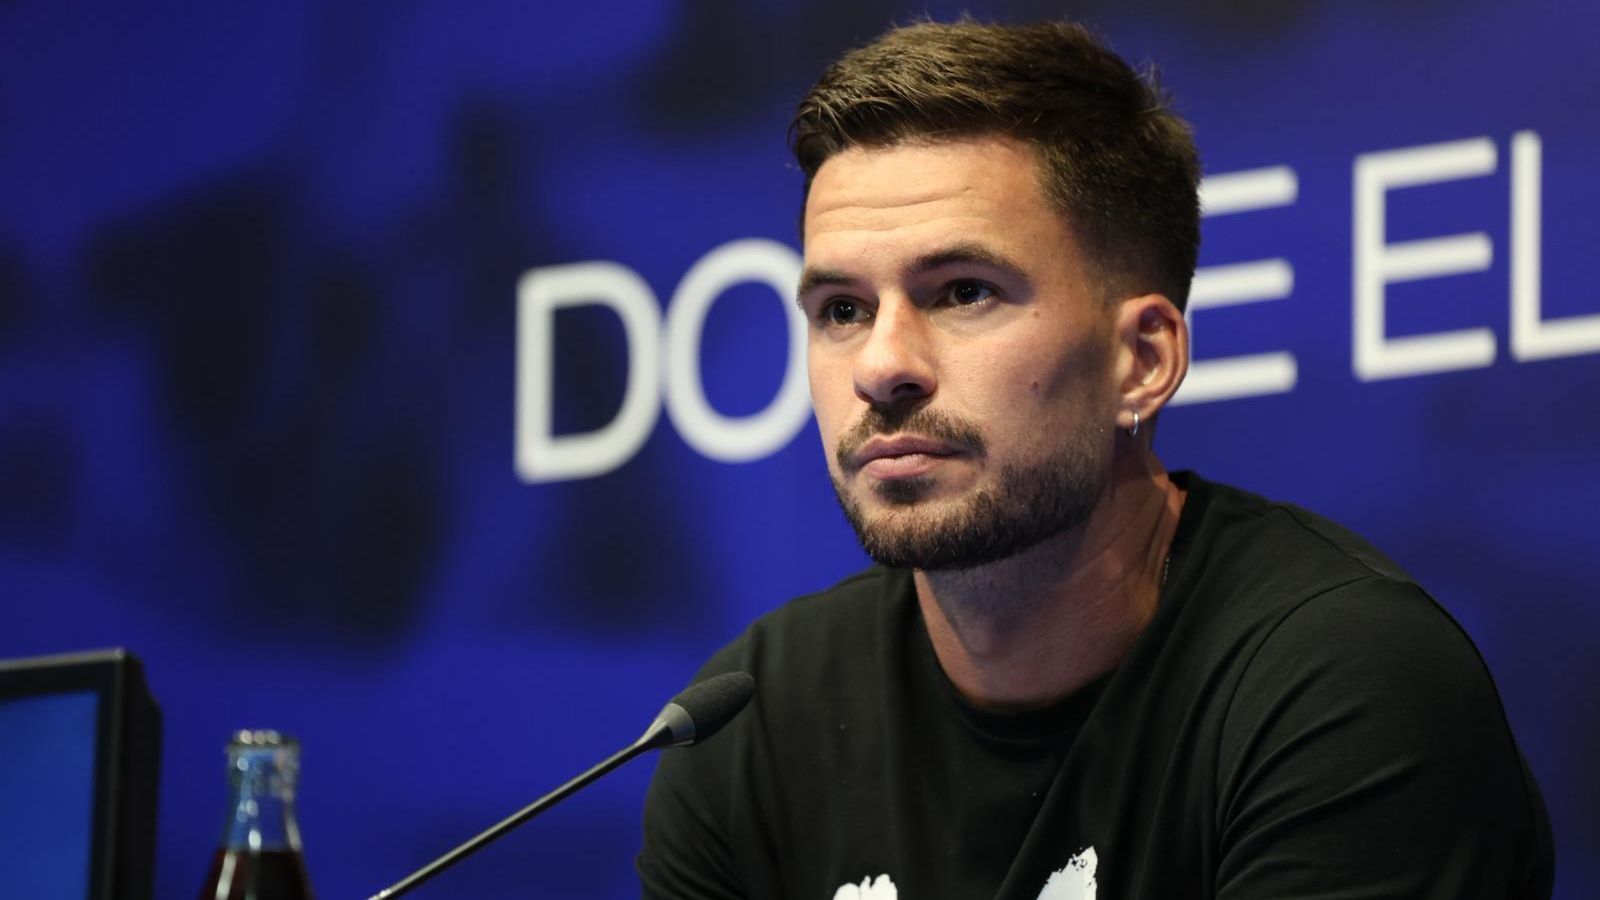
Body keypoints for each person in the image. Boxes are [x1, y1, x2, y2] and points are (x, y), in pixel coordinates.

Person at [637, 18, 1553, 900]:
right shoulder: (747, 731)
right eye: (842, 310)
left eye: (963, 292)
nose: (880, 367)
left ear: (1142, 361)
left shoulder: (1342, 685)